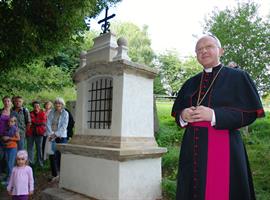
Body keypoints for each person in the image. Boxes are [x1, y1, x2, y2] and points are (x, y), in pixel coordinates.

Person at [171, 34, 265, 200]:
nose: (204, 51)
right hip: (192, 147)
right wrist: (183, 115)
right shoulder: (190, 82)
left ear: (220, 51)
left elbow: (250, 114)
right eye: (199, 49)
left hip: (225, 144)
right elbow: (178, 112)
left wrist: (214, 115)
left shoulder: (239, 77)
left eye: (209, 47)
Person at [46, 97, 68, 182]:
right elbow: (47, 123)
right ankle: (54, 174)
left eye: (59, 103)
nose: (58, 105)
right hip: (52, 136)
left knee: (61, 155)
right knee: (52, 155)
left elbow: (64, 126)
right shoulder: (51, 112)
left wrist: (56, 134)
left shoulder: (65, 113)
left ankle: (63, 174)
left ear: (62, 105)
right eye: (56, 103)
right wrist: (51, 134)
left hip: (62, 137)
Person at [26, 101, 46, 168]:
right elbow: (29, 121)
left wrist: (34, 121)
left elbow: (43, 122)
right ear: (33, 107)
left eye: (37, 106)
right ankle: (30, 162)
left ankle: (40, 162)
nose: (36, 107)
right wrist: (36, 122)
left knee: (39, 148)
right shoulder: (30, 113)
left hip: (39, 133)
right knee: (30, 148)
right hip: (30, 133)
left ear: (39, 106)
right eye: (35, 106)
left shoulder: (43, 113)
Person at [0, 96, 16, 179]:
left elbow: (17, 125)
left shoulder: (14, 113)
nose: (6, 103)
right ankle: (2, 173)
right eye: (5, 101)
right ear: (3, 102)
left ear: (11, 102)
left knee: (9, 157)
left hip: (10, 138)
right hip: (0, 136)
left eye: (8, 101)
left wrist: (11, 137)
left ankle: (8, 174)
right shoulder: (0, 112)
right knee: (1, 155)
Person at [2, 116, 20, 183]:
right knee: (7, 162)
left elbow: (18, 138)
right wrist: (4, 138)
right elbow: (4, 137)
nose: (10, 123)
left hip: (13, 148)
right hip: (6, 147)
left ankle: (10, 180)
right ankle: (8, 176)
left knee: (10, 164)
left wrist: (9, 138)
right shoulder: (7, 128)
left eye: (12, 121)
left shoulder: (15, 129)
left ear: (15, 122)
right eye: (9, 121)